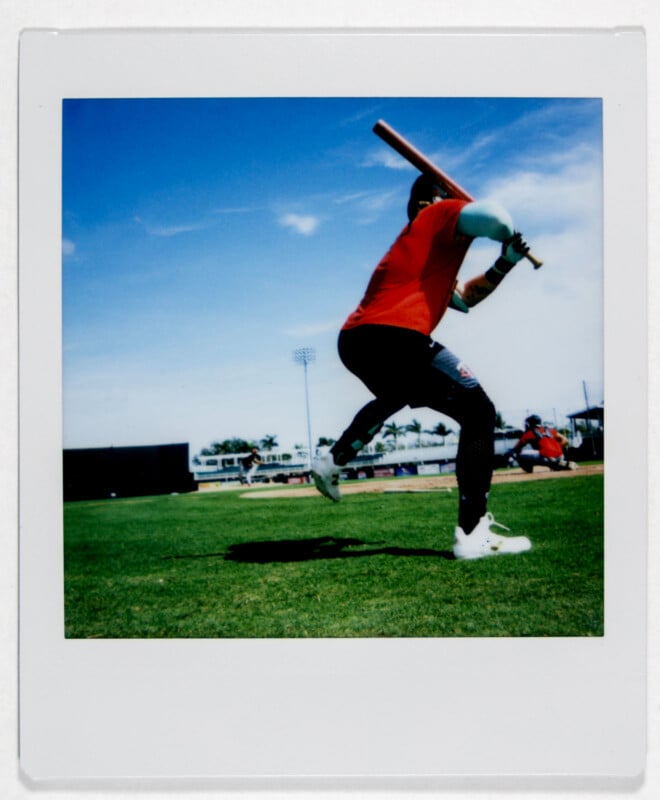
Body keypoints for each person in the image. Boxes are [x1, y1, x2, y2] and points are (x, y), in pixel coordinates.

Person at [311, 173, 533, 560]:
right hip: (394, 336)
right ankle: (472, 533)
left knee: (399, 393)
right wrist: (504, 229)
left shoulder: (429, 256)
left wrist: (506, 262)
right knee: (479, 412)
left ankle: (334, 459)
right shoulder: (432, 217)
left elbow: (465, 300)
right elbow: (497, 219)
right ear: (430, 202)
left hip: (359, 340)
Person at [508, 415, 577, 473]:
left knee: (518, 453)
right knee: (549, 457)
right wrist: (554, 448)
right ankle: (558, 464)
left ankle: (529, 470)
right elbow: (565, 440)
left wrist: (510, 453)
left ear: (531, 423)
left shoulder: (529, 432)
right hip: (560, 456)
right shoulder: (549, 430)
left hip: (546, 457)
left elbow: (516, 448)